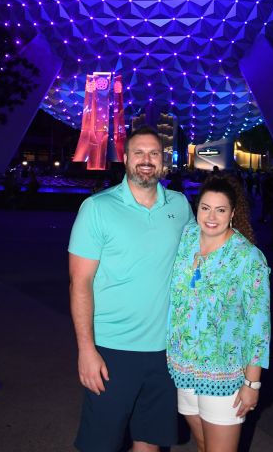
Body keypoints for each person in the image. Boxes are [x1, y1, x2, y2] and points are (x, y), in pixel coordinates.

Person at [68, 125, 195, 452]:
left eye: (154, 153)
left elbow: (200, 262)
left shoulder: (180, 206)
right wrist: (86, 349)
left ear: (164, 160)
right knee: (101, 444)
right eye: (138, 152)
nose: (146, 160)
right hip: (112, 349)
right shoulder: (97, 208)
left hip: (165, 351)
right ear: (125, 158)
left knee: (150, 441)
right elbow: (79, 282)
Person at [167, 175, 270, 452]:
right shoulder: (187, 237)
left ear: (233, 213)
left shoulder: (248, 258)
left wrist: (252, 382)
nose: (211, 217)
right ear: (197, 208)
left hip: (223, 375)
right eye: (205, 207)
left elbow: (259, 327)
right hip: (184, 368)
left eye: (220, 209)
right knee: (202, 445)